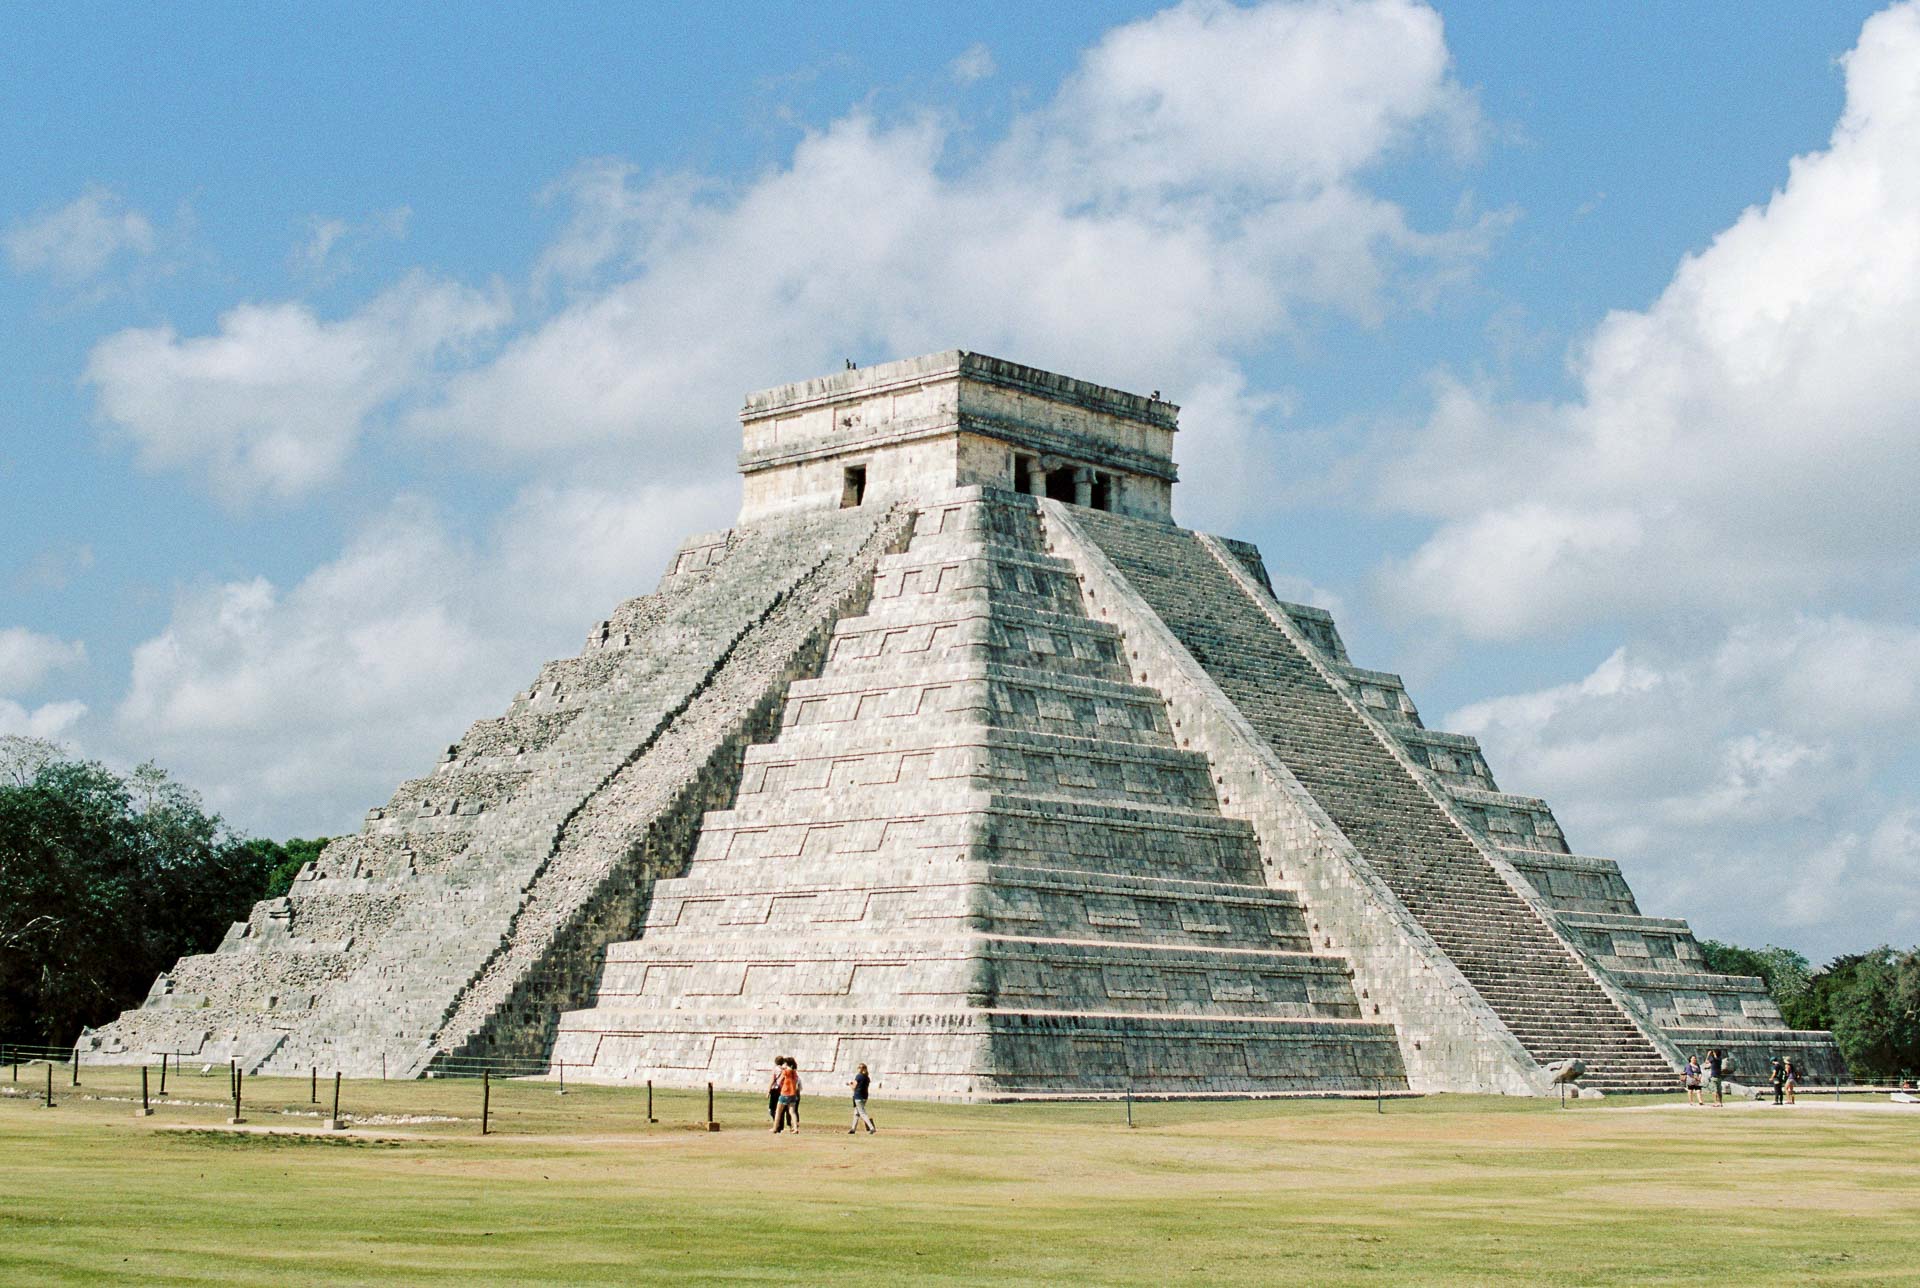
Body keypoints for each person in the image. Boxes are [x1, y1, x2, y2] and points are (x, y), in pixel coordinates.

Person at [772, 1056, 801, 1134]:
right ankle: (795, 1128)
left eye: (784, 1063)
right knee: (792, 1112)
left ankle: (775, 1128)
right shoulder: (794, 1072)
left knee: (778, 1111)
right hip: (793, 1094)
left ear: (787, 1064)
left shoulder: (785, 1072)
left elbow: (779, 1081)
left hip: (785, 1093)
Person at [848, 1063, 876, 1134]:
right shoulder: (867, 1077)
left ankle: (871, 1128)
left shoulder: (858, 1076)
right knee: (856, 1113)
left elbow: (854, 1087)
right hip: (864, 1097)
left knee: (862, 1113)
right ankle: (853, 1129)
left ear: (860, 1069)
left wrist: (849, 1084)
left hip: (858, 1097)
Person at [768, 1059, 783, 1125]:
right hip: (782, 1090)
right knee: (779, 1109)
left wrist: (768, 1091)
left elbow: (772, 1080)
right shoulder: (784, 1069)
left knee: (772, 1109)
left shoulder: (775, 1069)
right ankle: (780, 1124)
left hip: (775, 1090)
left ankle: (776, 1122)